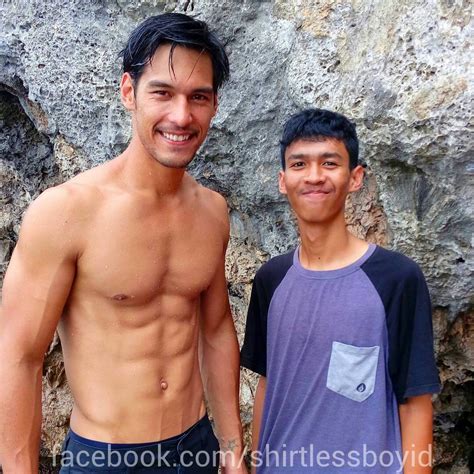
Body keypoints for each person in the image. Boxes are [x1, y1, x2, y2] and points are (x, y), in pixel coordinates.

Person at [0, 13, 247, 473]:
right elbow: (19, 356)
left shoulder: (212, 211)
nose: (181, 115)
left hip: (195, 446)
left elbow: (215, 331)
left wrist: (231, 448)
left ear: (214, 105)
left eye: (198, 96)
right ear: (128, 92)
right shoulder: (67, 212)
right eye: (162, 93)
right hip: (108, 457)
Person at [241, 108, 440, 473]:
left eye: (329, 163)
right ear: (283, 180)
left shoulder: (396, 279)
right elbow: (268, 386)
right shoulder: (271, 279)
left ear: (355, 177)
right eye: (299, 164)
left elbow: (415, 403)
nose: (314, 176)